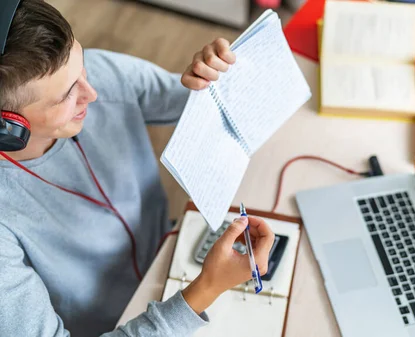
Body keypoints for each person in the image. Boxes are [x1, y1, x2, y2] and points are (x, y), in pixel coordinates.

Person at [0, 1, 274, 336]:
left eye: (81, 66)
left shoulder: (99, 71)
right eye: (66, 97)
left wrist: (212, 78)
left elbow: (185, 98)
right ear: (8, 126)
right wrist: (205, 290)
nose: (93, 92)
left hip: (172, 257)